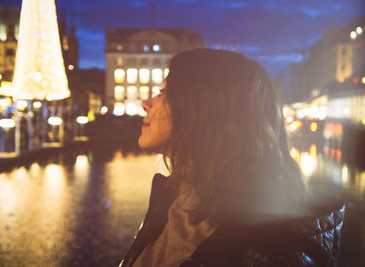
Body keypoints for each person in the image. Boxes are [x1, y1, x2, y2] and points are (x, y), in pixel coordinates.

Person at [120, 48, 345, 267]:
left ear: (206, 110)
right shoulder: (175, 199)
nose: (147, 104)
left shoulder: (270, 250)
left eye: (164, 92)